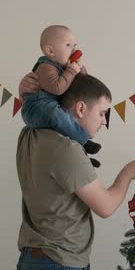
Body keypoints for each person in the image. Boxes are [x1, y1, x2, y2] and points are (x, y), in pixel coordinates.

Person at [16, 73, 135, 270]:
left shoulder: (30, 134)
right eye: (102, 113)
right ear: (80, 108)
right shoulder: (65, 149)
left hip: (35, 263)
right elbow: (105, 206)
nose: (104, 121)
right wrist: (127, 173)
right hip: (58, 267)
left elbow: (47, 101)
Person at [20, 25, 103, 167]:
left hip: (51, 107)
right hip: (36, 108)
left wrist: (79, 68)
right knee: (57, 115)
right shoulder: (45, 67)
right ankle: (84, 142)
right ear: (50, 51)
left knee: (67, 128)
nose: (74, 50)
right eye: (68, 45)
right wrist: (71, 71)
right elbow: (57, 89)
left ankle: (83, 158)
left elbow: (83, 83)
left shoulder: (65, 66)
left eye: (74, 45)